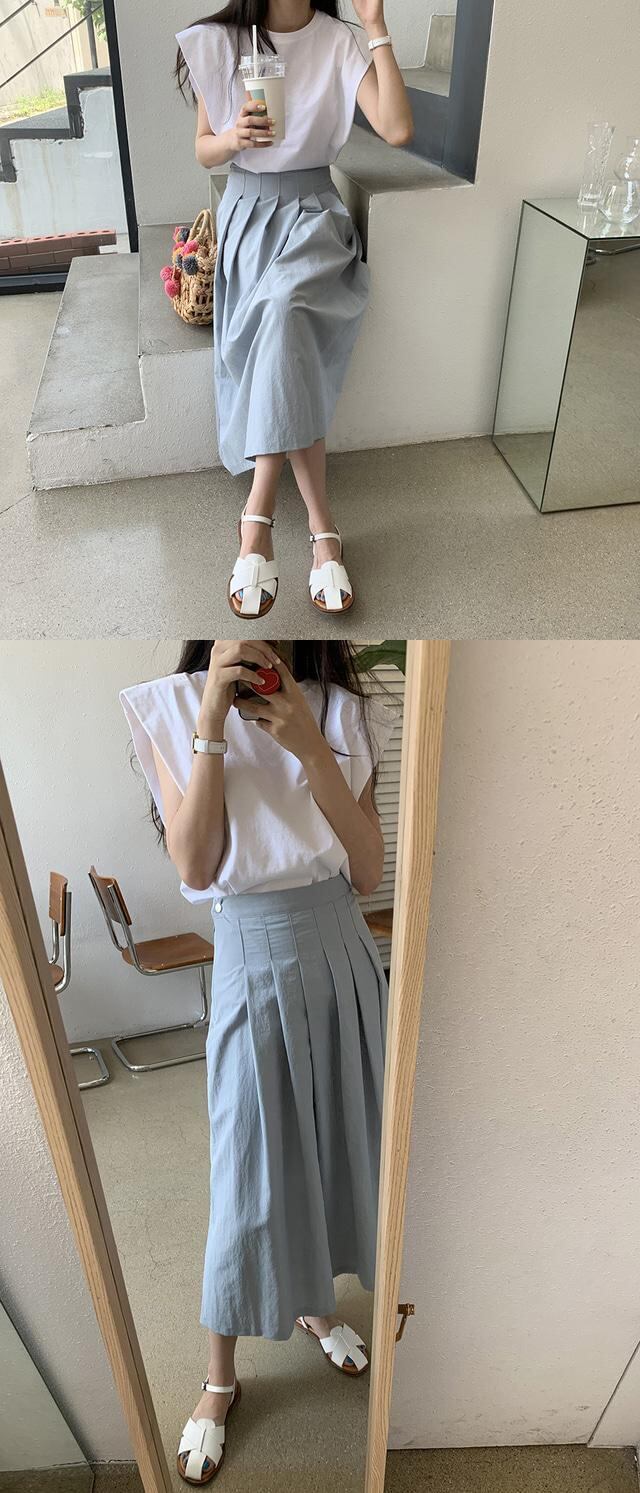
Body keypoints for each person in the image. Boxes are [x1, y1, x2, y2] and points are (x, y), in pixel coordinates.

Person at [121, 639, 397, 1485]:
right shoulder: (169, 706)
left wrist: (312, 746)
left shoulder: (346, 708)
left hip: (343, 953)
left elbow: (367, 869)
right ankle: (219, 1378)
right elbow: (196, 864)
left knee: (343, 1147)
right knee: (246, 1173)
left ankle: (315, 1306)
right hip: (251, 949)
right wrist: (210, 720)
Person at [175, 3, 413, 617]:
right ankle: (321, 529)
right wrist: (234, 138)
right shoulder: (222, 41)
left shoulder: (337, 40)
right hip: (248, 220)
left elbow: (396, 129)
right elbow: (204, 150)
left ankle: (256, 518)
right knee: (288, 339)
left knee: (283, 308)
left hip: (314, 220)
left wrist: (376, 25)